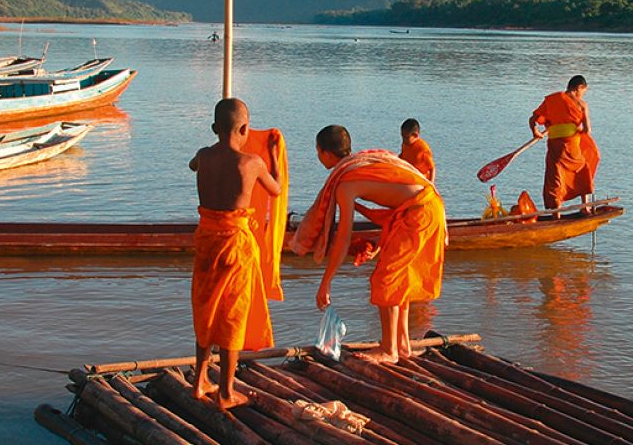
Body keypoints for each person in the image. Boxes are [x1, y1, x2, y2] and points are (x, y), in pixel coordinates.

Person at [291, 125, 447, 364]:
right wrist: (378, 241)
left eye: (317, 151)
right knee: (398, 277)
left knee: (386, 278)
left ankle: (388, 349)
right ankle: (402, 344)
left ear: (324, 153)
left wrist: (326, 283)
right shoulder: (361, 163)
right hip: (422, 209)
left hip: (420, 212)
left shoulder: (345, 183)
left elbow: (343, 238)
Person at [187, 98, 283, 410]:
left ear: (214, 128)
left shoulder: (203, 156)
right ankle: (226, 392)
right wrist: (274, 158)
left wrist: (212, 150)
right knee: (231, 314)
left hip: (206, 242)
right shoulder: (252, 162)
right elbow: (276, 189)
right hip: (234, 246)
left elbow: (193, 165)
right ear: (244, 129)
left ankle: (199, 381)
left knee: (206, 310)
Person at [529, 75, 599, 213]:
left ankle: (557, 213)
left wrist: (535, 132)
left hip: (554, 144)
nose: (583, 95)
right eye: (583, 91)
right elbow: (587, 130)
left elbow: (532, 119)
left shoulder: (552, 100)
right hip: (571, 144)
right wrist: (577, 129)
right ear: (579, 88)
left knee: (555, 176)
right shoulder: (581, 105)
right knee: (583, 169)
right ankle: (585, 207)